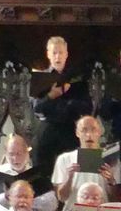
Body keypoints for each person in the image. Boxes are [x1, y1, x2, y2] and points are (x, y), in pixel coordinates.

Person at [31, 36, 93, 168]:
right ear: (48, 54)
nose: (57, 56)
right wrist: (52, 95)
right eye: (54, 53)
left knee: (75, 171)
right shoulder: (41, 78)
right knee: (43, 175)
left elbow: (88, 107)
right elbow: (36, 108)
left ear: (66, 54)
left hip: (70, 131)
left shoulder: (77, 78)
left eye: (60, 52)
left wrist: (68, 104)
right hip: (47, 131)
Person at [50, 115, 121, 205]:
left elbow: (116, 198)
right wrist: (69, 178)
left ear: (99, 132)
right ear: (77, 133)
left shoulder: (111, 159)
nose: (89, 135)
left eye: (93, 130)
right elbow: (62, 197)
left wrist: (111, 181)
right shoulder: (64, 159)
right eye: (84, 130)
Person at [0, 134, 59, 211]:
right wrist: (6, 197)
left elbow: (52, 205)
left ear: (27, 154)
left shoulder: (38, 174)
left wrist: (29, 199)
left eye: (19, 154)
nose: (15, 158)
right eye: (11, 154)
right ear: (6, 154)